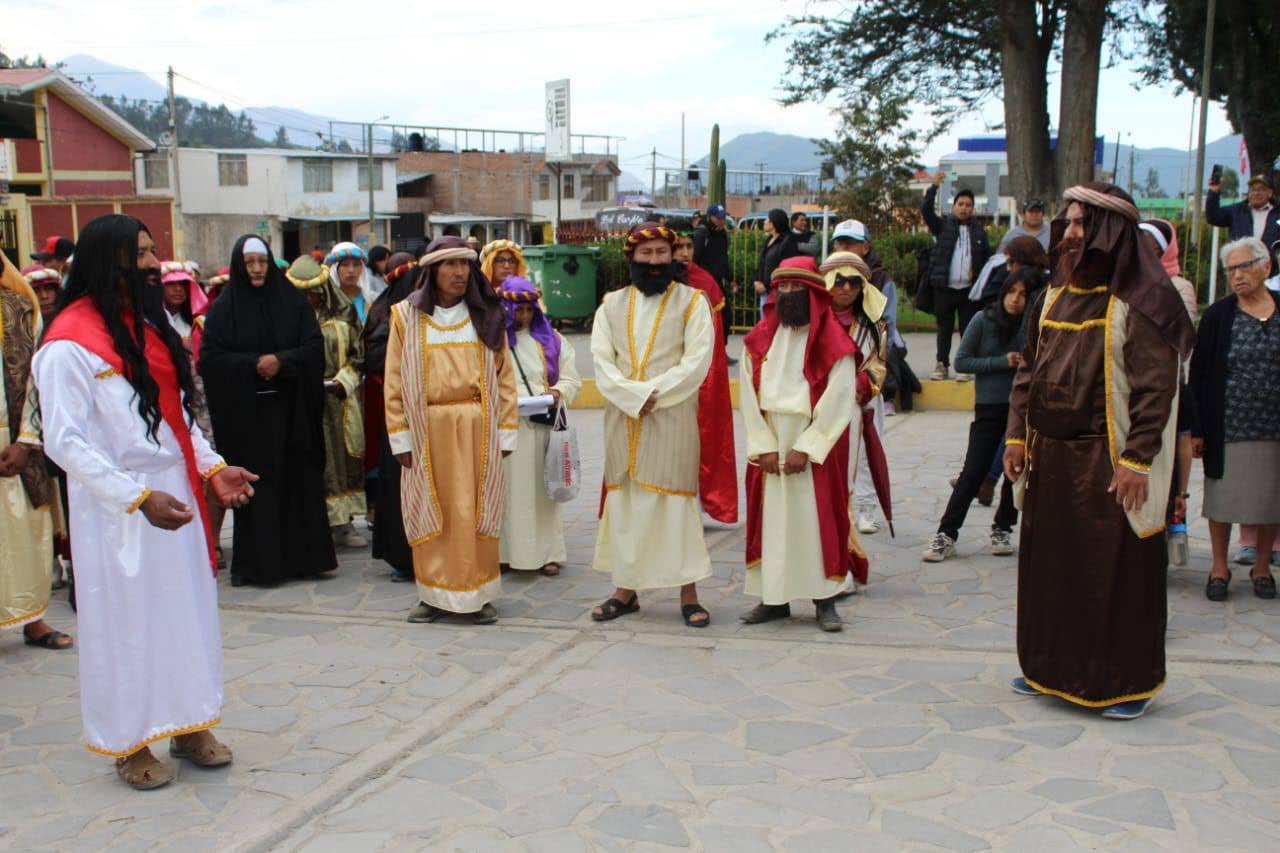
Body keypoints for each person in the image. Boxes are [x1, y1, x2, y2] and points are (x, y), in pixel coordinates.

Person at [32, 214, 257, 788]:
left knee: (186, 615)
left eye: (153, 251)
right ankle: (129, 742)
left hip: (174, 498)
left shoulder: (150, 330)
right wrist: (136, 497)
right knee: (125, 623)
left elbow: (178, 419)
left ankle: (189, 723)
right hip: (117, 509)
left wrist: (212, 467)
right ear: (108, 261)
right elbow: (65, 441)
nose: (155, 264)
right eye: (140, 253)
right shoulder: (67, 344)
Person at [1004, 183, 1193, 720]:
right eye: (1069, 223)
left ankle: (1123, 685)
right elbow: (1030, 374)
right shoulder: (1053, 295)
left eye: (1084, 224)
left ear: (1112, 233)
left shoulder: (1142, 300)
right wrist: (1016, 435)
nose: (1071, 234)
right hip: (1052, 461)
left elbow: (1157, 388)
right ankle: (1049, 669)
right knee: (1051, 573)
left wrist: (1137, 459)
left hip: (1110, 464)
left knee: (1113, 577)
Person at [384, 236, 518, 625]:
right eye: (450, 265)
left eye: (465, 265)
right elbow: (394, 382)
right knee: (433, 509)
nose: (459, 273)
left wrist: (506, 432)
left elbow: (504, 379)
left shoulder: (486, 315)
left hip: (478, 428)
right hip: (428, 430)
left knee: (475, 510)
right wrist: (400, 437)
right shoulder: (405, 318)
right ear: (432, 271)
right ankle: (432, 593)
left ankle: (479, 593)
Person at [589, 223, 715, 628]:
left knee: (676, 504)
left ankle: (689, 595)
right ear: (632, 258)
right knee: (625, 503)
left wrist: (651, 394)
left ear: (674, 256)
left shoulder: (693, 302)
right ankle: (625, 592)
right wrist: (631, 397)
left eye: (662, 253)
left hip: (671, 414)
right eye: (647, 254)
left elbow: (697, 362)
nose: (655, 261)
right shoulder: (610, 304)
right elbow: (601, 362)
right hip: (623, 420)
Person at [200, 236, 336, 587]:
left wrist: (283, 362)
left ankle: (305, 559)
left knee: (297, 483)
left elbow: (313, 349)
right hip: (249, 418)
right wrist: (253, 365)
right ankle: (259, 565)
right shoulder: (223, 310)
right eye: (250, 263)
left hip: (292, 412)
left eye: (262, 262)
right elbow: (211, 362)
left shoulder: (293, 303)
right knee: (259, 489)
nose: (258, 269)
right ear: (239, 266)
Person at [740, 257, 857, 631]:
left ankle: (824, 600)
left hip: (811, 444)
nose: (788, 294)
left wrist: (806, 447)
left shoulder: (832, 340)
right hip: (771, 438)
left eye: (796, 288)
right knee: (773, 523)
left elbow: (839, 397)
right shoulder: (760, 337)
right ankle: (774, 599)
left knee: (816, 520)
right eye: (783, 288)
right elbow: (746, 392)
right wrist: (764, 445)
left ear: (812, 292)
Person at [1191, 237, 1280, 602]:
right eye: (1231, 270)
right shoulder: (1217, 315)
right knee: (1222, 499)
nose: (1237, 276)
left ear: (1265, 267)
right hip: (1228, 423)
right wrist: (1197, 428)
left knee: (1271, 498)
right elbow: (1198, 372)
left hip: (1273, 424)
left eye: (1244, 267)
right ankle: (1218, 567)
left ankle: (1262, 567)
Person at [924, 272, 1031, 562]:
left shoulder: (1030, 325)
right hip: (988, 407)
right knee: (973, 471)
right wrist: (1002, 361)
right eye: (1012, 292)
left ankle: (1003, 528)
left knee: (1015, 470)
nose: (1016, 300)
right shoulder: (983, 320)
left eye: (1022, 294)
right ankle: (946, 533)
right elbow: (962, 361)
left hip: (1020, 409)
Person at [0, 255, 72, 651]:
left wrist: (26, 441)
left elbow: (35, 375)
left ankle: (34, 620)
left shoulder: (20, 301)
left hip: (15, 439)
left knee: (27, 531)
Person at [497, 276, 581, 575]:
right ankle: (506, 555)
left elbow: (572, 378)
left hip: (544, 427)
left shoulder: (553, 339)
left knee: (545, 495)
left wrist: (558, 393)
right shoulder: (492, 342)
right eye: (516, 310)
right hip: (508, 430)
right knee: (510, 495)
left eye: (528, 310)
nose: (522, 316)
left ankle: (548, 554)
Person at [818, 251, 890, 592]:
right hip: (810, 411)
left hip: (848, 413)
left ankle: (842, 561)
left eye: (854, 282)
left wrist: (860, 385)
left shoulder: (873, 327)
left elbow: (878, 368)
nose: (846, 288)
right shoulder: (809, 319)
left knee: (841, 487)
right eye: (840, 280)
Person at [287, 255, 368, 548]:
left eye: (314, 292)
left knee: (343, 458)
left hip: (339, 398)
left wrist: (343, 380)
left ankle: (344, 523)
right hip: (301, 400)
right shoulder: (290, 320)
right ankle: (315, 523)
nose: (310, 298)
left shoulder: (345, 314)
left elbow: (359, 355)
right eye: (303, 293)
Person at [673, 230, 738, 523]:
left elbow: (713, 339)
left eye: (689, 246)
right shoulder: (653, 285)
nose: (685, 252)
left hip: (697, 377)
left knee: (698, 441)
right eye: (678, 247)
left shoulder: (705, 283)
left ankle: (696, 507)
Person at [364, 252, 417, 579]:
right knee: (396, 484)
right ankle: (400, 553)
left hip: (423, 413)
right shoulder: (387, 313)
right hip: (396, 411)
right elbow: (372, 359)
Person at [922, 173, 992, 380]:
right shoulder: (942, 227)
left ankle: (966, 366)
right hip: (945, 287)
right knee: (944, 329)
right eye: (960, 204)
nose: (964, 208)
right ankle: (942, 364)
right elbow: (925, 210)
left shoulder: (979, 232)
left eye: (968, 205)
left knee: (967, 329)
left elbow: (986, 259)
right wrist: (934, 186)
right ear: (954, 207)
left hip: (969, 290)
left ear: (973, 208)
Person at [693, 203, 734, 359]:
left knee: (725, 317)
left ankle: (721, 351)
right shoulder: (701, 234)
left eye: (724, 217)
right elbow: (694, 260)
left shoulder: (722, 234)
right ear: (710, 217)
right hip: (704, 285)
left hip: (718, 283)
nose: (722, 220)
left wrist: (730, 279)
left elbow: (723, 258)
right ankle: (706, 354)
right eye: (719, 218)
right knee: (707, 320)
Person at [1206, 174, 1279, 248]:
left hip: (1271, 259)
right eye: (1252, 189)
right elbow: (1214, 218)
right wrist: (1213, 191)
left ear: (1270, 193)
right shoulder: (1236, 211)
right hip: (1240, 258)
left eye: (1260, 189)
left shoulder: (1277, 214)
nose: (1256, 193)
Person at [752, 209, 799, 316]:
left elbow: (786, 269)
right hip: (764, 293)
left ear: (774, 222)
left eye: (767, 219)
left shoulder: (788, 242)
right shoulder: (768, 240)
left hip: (778, 293)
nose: (764, 222)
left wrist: (767, 285)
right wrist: (756, 280)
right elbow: (761, 264)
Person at [325, 242, 373, 324]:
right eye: (345, 265)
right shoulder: (326, 303)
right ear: (335, 269)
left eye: (356, 264)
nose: (351, 270)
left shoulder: (373, 299)